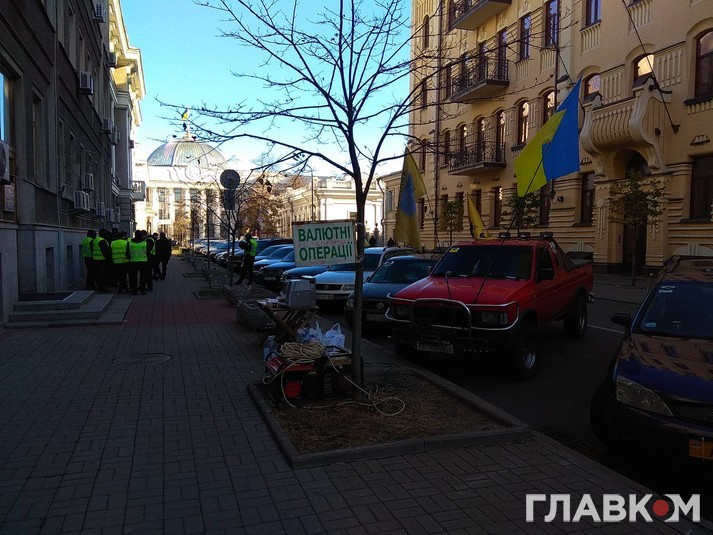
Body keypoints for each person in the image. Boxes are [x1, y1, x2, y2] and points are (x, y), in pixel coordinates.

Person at [127, 230, 149, 295]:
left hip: (133, 262)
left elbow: (127, 253)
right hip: (143, 261)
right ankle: (142, 290)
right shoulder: (145, 242)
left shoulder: (130, 243)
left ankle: (134, 290)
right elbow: (148, 252)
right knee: (143, 277)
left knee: (133, 277)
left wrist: (130, 258)